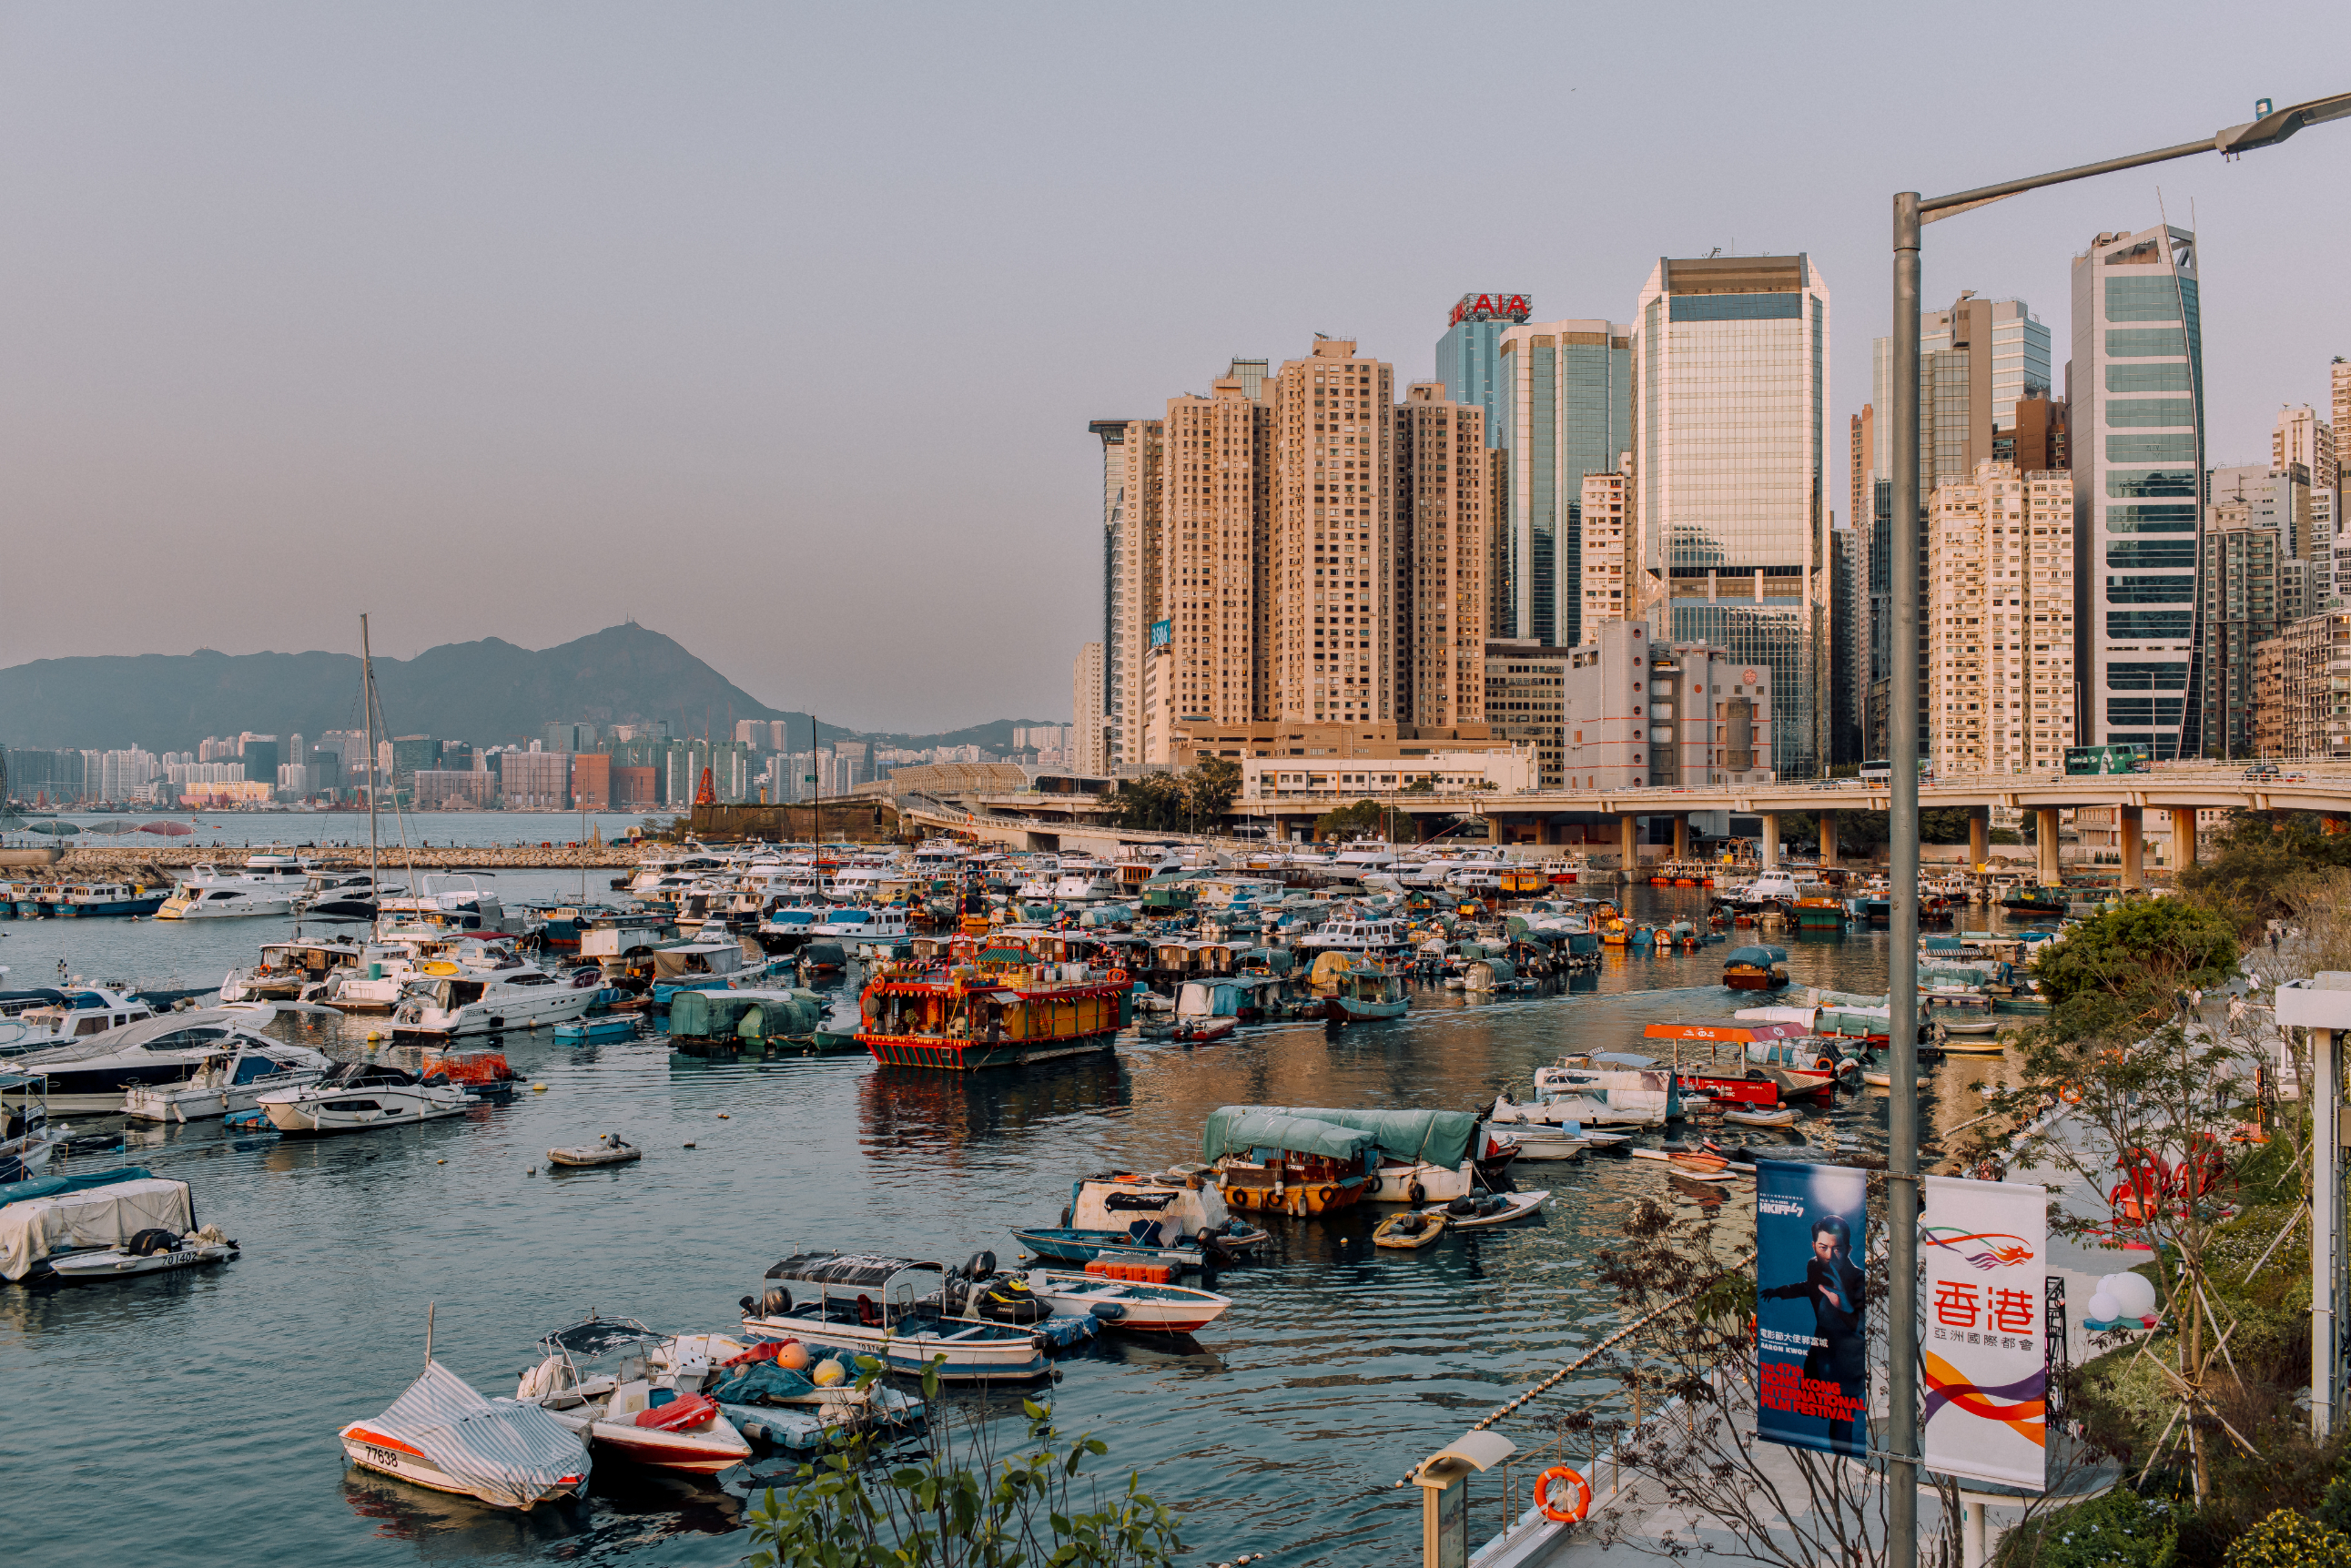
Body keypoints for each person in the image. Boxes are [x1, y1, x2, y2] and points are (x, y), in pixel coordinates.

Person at [1759, 1212, 1868, 1455]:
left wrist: (1842, 1308)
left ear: (1849, 1248)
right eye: (1823, 1247)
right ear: (1814, 1246)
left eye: (1837, 1249)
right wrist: (1779, 1291)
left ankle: (1844, 1463)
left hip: (1848, 1358)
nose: (1829, 1256)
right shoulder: (1813, 1266)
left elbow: (1860, 1326)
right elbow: (1808, 1287)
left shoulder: (1859, 1278)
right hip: (1820, 1351)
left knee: (1842, 1422)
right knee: (1809, 1408)